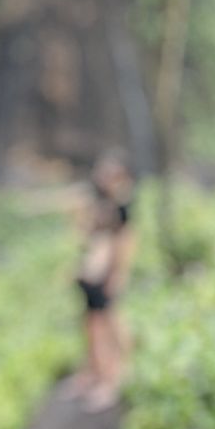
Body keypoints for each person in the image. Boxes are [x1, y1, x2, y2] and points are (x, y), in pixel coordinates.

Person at [69, 154, 137, 410]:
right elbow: (86, 237)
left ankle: (112, 379)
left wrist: (118, 275)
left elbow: (125, 244)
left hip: (106, 276)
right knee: (93, 326)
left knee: (109, 326)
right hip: (92, 275)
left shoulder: (121, 208)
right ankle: (95, 372)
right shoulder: (99, 204)